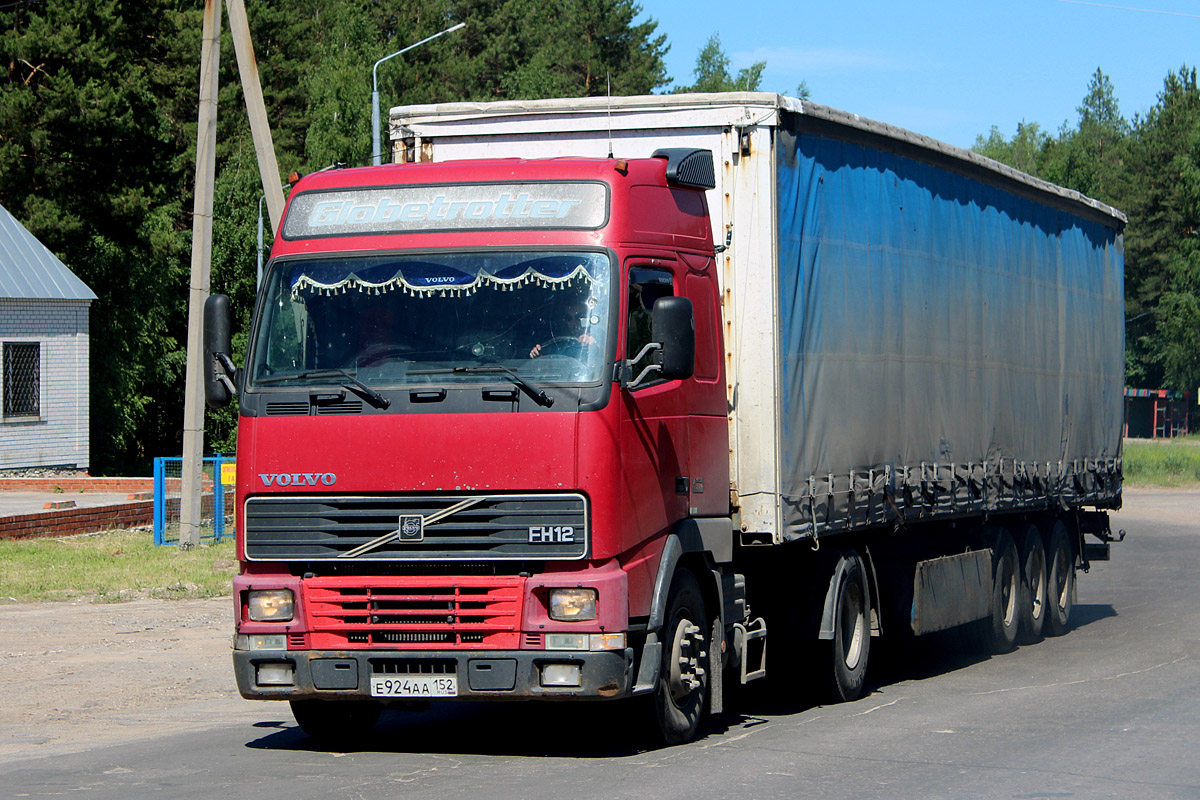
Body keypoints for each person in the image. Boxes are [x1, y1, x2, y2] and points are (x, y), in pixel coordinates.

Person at [528, 299, 596, 358]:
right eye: (568, 318)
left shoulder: (598, 336)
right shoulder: (555, 345)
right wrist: (538, 354)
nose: (574, 322)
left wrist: (594, 345)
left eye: (578, 317)